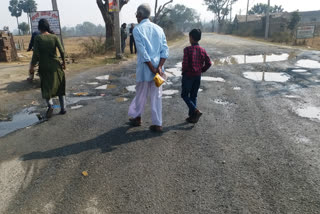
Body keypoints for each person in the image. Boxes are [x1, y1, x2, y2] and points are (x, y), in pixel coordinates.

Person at [128, 3, 169, 132]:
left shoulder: (137, 29)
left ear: (139, 15)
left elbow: (142, 52)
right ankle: (157, 124)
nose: (136, 16)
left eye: (136, 14)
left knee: (140, 94)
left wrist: (152, 69)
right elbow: (165, 50)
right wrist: (159, 67)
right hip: (158, 71)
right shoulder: (159, 29)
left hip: (146, 70)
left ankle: (137, 117)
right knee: (157, 96)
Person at [29, 19, 66, 118]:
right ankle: (63, 109)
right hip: (56, 65)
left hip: (44, 66)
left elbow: (35, 55)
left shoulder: (38, 38)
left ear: (39, 27)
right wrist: (64, 63)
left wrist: (32, 67)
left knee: (46, 87)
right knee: (60, 86)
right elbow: (62, 51)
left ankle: (50, 105)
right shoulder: (54, 37)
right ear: (48, 26)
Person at [181, 29, 212, 123]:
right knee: (193, 96)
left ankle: (195, 111)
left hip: (188, 76)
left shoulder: (187, 50)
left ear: (191, 37)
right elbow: (209, 63)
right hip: (197, 76)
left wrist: (184, 71)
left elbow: (185, 64)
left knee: (184, 95)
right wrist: (201, 70)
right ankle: (192, 117)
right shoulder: (202, 50)